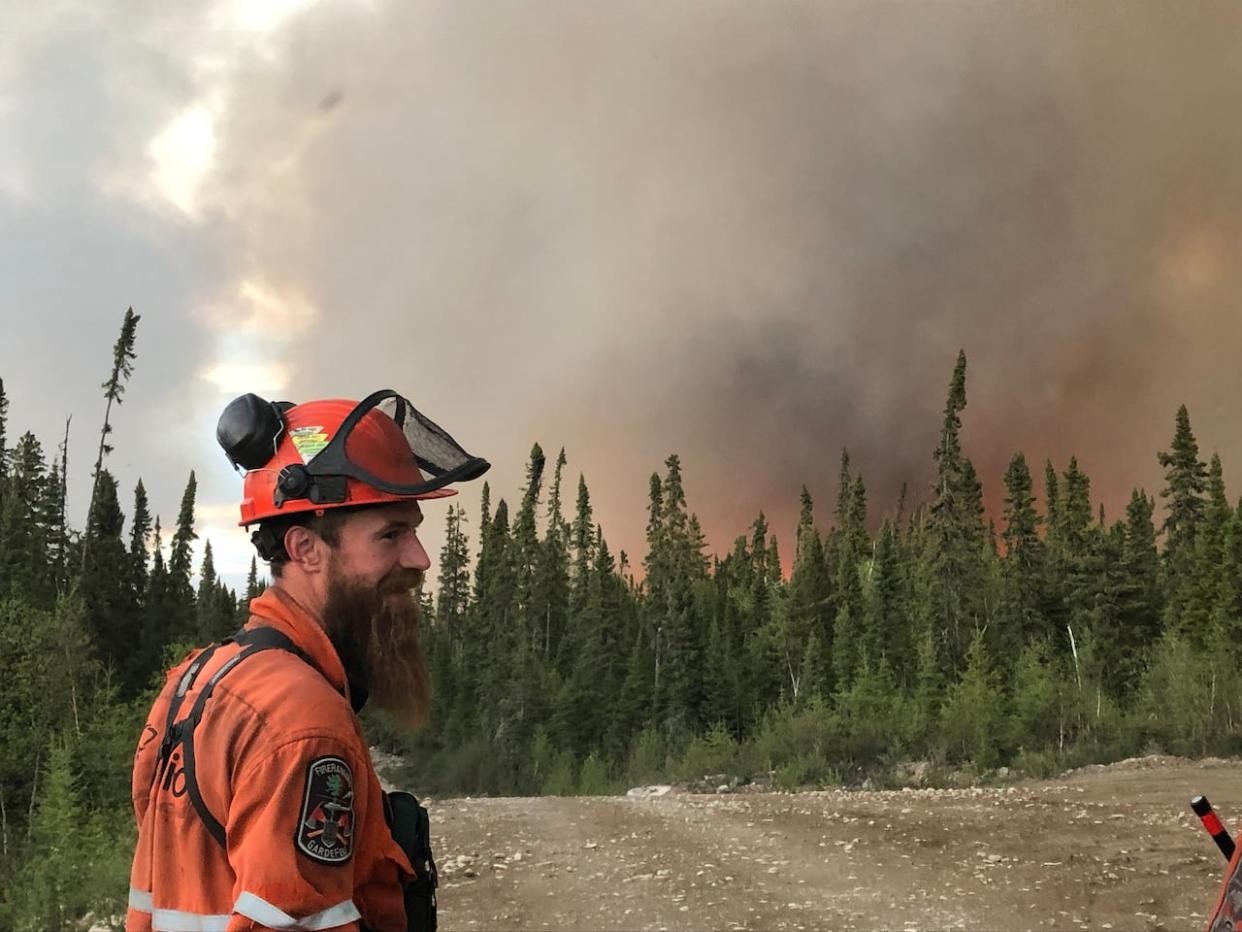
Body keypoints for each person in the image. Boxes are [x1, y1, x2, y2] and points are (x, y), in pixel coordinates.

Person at [127, 390, 488, 932]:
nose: (420, 558)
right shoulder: (303, 722)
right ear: (305, 549)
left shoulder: (196, 680)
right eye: (391, 534)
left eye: (413, 530)